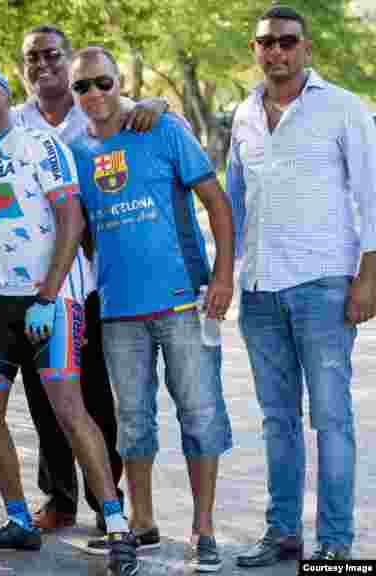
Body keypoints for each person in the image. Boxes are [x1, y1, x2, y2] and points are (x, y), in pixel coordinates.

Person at [0, 68, 138, 575]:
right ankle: (18, 519)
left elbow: (71, 220)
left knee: (69, 409)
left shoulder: (40, 145)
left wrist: (48, 294)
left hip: (53, 297)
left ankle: (116, 525)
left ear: (7, 100)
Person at [68, 46, 235, 572]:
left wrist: (223, 276)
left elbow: (217, 202)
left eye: (102, 82)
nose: (94, 94)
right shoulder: (75, 152)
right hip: (119, 312)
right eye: (83, 87)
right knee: (133, 423)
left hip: (183, 302)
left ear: (120, 83)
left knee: (200, 415)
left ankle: (203, 529)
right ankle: (142, 523)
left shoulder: (162, 130)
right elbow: (83, 232)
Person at [228, 5, 376, 565]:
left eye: (287, 41)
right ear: (256, 49)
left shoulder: (342, 109)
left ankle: (335, 544)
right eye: (266, 43)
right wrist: (228, 273)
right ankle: (282, 532)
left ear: (306, 48)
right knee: (277, 419)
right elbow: (237, 202)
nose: (277, 52)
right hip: (261, 290)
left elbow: (373, 194)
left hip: (323, 287)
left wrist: (370, 278)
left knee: (332, 417)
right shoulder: (243, 114)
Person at [12, 24, 169, 534]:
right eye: (32, 57)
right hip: (38, 284)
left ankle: (110, 503)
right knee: (45, 395)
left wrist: (161, 103)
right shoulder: (12, 120)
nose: (43, 65)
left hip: (95, 281)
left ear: (71, 60)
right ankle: (58, 498)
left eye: (52, 55)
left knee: (97, 397)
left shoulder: (98, 109)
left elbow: (155, 116)